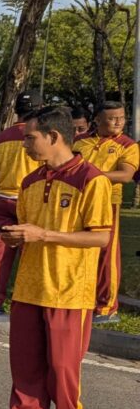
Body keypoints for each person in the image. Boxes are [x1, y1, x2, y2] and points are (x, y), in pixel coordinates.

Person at [0, 106, 113, 409]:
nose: (25, 144)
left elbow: (100, 237)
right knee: (25, 363)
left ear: (54, 136)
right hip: (29, 286)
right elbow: (30, 230)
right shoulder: (30, 181)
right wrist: (18, 237)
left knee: (62, 366)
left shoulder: (92, 179)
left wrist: (43, 234)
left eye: (30, 137)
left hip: (69, 289)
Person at [72, 101, 138, 323]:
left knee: (107, 254)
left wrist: (90, 176)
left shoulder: (127, 145)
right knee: (77, 248)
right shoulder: (80, 141)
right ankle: (80, 298)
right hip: (78, 200)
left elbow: (125, 175)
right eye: (112, 118)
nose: (118, 122)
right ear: (97, 120)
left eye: (121, 117)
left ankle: (106, 306)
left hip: (108, 202)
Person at [0, 93, 39, 315]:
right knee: (30, 252)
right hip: (29, 199)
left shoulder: (1, 137)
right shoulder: (38, 135)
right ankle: (26, 302)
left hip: (4, 196)